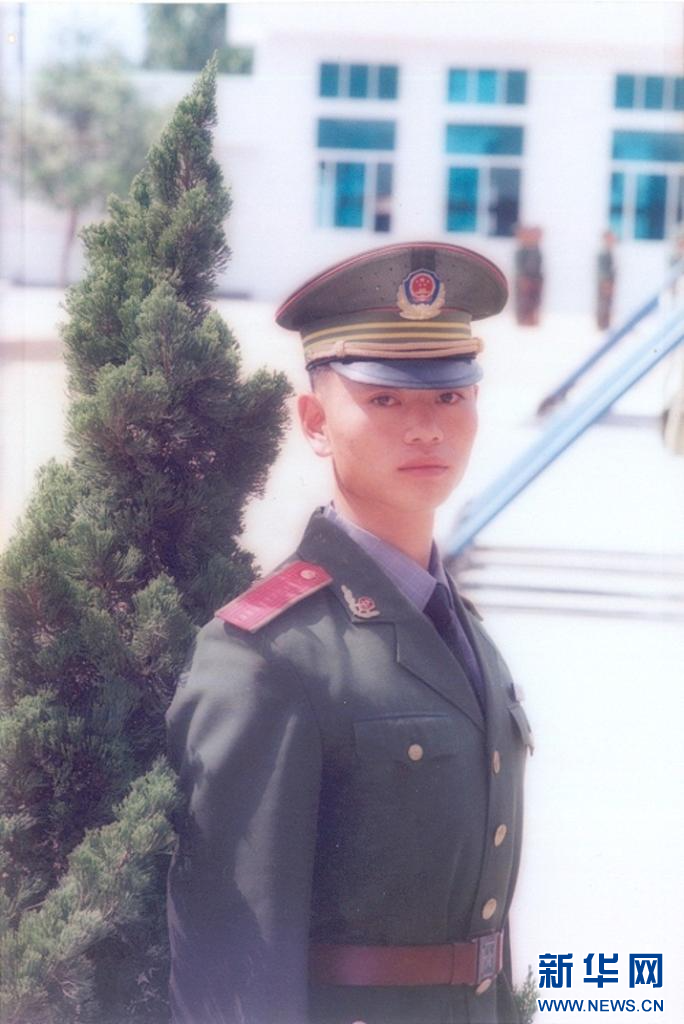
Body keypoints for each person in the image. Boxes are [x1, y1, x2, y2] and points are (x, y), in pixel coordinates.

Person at [166, 242, 534, 1024]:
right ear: (315, 421)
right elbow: (233, 975)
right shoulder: (267, 656)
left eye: (450, 396)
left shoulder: (464, 632)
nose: (427, 430)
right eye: (386, 400)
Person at [513, 226, 543, 326]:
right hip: (524, 279)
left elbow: (537, 266)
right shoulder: (521, 252)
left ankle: (530, 319)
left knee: (533, 300)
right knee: (524, 300)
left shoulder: (537, 251)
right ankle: (524, 319)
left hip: (535, 279)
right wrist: (523, 278)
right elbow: (521, 266)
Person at [596, 230, 617, 331]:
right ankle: (602, 324)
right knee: (603, 303)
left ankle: (605, 324)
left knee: (607, 303)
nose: (612, 240)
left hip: (608, 281)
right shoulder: (603, 252)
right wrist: (606, 283)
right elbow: (602, 270)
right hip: (605, 282)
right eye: (610, 238)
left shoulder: (609, 252)